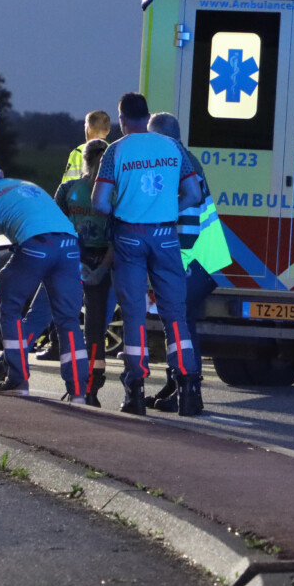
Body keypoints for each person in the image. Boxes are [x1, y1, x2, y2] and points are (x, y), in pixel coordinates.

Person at [92, 93, 202, 415]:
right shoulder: (172, 147)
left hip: (129, 236)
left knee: (135, 315)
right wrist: (168, 208)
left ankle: (135, 391)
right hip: (166, 236)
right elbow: (193, 194)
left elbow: (99, 202)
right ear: (148, 115)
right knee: (175, 316)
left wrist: (121, 211)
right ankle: (188, 388)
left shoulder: (116, 151)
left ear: (122, 120)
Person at [0, 157, 88, 402]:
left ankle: (17, 379)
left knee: (9, 304)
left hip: (37, 246)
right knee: (68, 319)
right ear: (1, 173)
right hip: (69, 245)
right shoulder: (27, 185)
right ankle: (78, 391)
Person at [145, 112, 232, 413]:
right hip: (201, 256)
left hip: (191, 255)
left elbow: (185, 210)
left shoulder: (174, 159)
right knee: (182, 321)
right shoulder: (186, 157)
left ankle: (188, 389)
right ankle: (179, 385)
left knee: (177, 322)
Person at [51, 139, 115, 405]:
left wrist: (78, 262)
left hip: (76, 259)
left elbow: (55, 228)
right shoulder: (115, 192)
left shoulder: (69, 189)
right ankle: (91, 388)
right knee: (95, 328)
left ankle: (78, 383)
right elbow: (118, 236)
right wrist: (101, 268)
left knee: (68, 323)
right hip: (100, 261)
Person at [62, 110, 114, 184]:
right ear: (108, 131)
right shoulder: (114, 151)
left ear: (88, 128)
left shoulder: (78, 152)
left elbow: (67, 183)